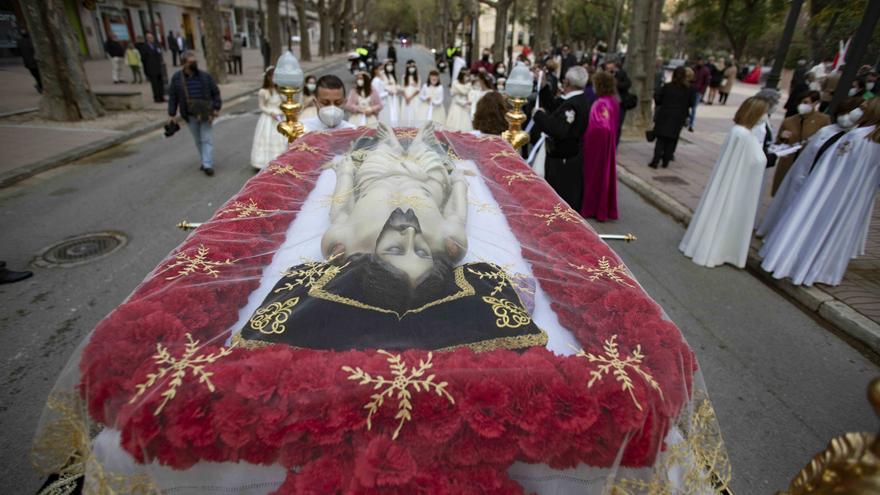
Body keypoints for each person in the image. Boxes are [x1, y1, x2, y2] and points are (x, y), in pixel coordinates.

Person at [759, 98, 880, 286]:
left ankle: (794, 262)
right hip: (851, 199)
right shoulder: (873, 140)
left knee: (811, 225)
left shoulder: (855, 137)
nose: (858, 111)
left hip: (828, 192)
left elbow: (830, 169)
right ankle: (820, 270)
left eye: (863, 108)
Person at [679, 97, 769, 268]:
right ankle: (714, 250)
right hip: (734, 187)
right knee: (724, 216)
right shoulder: (742, 135)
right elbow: (755, 160)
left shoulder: (740, 132)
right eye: (763, 113)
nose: (765, 117)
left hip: (734, 184)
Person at [757, 97, 864, 239]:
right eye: (841, 113)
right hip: (805, 177)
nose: (844, 118)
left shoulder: (857, 138)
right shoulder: (825, 131)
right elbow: (806, 159)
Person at [532, 66, 592, 210]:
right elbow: (555, 107)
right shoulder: (577, 99)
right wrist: (544, 86)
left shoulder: (574, 104)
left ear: (567, 83)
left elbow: (558, 130)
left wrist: (538, 116)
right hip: (565, 156)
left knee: (561, 198)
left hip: (564, 159)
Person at [168, 51, 222, 176]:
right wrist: (172, 114)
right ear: (184, 64)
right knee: (198, 139)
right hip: (190, 115)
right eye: (191, 62)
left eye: (195, 61)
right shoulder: (177, 79)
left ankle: (207, 164)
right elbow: (173, 97)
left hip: (206, 114)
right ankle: (204, 160)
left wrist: (216, 108)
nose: (194, 64)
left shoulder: (205, 76)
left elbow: (215, 92)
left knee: (206, 138)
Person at [770, 90, 831, 195]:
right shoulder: (789, 121)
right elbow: (777, 144)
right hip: (788, 163)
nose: (802, 105)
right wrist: (781, 137)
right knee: (782, 193)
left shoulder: (823, 120)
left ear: (815, 103)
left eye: (806, 102)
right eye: (800, 102)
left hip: (807, 164)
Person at [580, 71, 619, 221]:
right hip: (608, 146)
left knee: (593, 176)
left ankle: (591, 208)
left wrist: (585, 138)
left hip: (596, 146)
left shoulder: (600, 103)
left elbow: (600, 127)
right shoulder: (613, 101)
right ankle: (603, 208)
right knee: (604, 175)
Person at [650, 66, 695, 169]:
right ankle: (666, 161)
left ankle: (655, 161)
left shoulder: (667, 87)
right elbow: (691, 103)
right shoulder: (689, 90)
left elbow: (658, 100)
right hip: (679, 117)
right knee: (671, 140)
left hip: (665, 115)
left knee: (660, 140)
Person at [250, 67, 288, 170]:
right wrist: (271, 113)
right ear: (268, 77)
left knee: (281, 138)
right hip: (268, 118)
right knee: (267, 137)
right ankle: (263, 162)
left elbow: (286, 102)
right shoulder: (263, 91)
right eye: (273, 77)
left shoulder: (280, 90)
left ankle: (281, 161)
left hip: (280, 117)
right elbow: (261, 106)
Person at [604, 59, 632, 143]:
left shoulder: (622, 74)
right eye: (608, 68)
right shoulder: (604, 76)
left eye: (612, 68)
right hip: (607, 104)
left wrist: (615, 83)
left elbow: (627, 84)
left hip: (619, 104)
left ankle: (614, 143)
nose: (610, 70)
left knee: (617, 125)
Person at [141, 33, 165, 103]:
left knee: (160, 83)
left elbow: (159, 54)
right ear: (147, 38)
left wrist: (161, 61)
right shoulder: (145, 47)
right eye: (150, 37)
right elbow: (143, 59)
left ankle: (161, 97)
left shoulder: (156, 45)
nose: (151, 39)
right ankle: (156, 97)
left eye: (152, 37)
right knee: (154, 84)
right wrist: (146, 70)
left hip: (158, 67)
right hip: (151, 68)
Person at [689, 57, 711, 131]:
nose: (699, 62)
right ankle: (686, 121)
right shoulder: (693, 69)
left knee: (694, 108)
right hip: (691, 89)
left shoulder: (706, 70)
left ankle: (691, 124)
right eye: (698, 61)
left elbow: (706, 82)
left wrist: (702, 92)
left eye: (701, 61)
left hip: (698, 91)